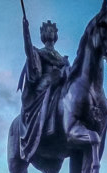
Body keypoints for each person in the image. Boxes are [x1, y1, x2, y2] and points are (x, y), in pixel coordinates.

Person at [17, 16, 70, 163]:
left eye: (52, 30)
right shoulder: (38, 52)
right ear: (42, 35)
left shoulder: (61, 57)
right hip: (45, 85)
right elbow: (29, 52)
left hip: (60, 84)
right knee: (49, 90)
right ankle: (44, 124)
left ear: (56, 35)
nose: (50, 33)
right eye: (47, 30)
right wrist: (26, 31)